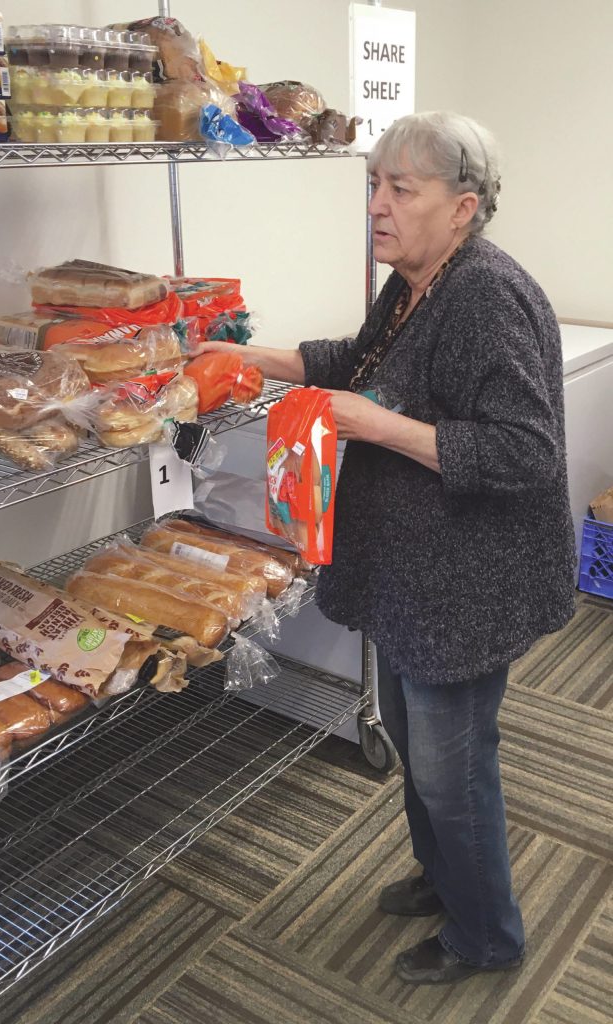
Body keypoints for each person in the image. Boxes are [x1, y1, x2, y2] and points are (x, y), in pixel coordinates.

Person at [193, 110, 576, 984]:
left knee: (452, 768)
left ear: (463, 207)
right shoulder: (414, 284)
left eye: (401, 189)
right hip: (412, 576)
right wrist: (263, 362)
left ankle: (488, 937)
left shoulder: (485, 296)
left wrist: (374, 424)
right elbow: (358, 360)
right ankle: (447, 878)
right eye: (374, 185)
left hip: (466, 585)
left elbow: (525, 451)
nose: (376, 206)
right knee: (415, 742)